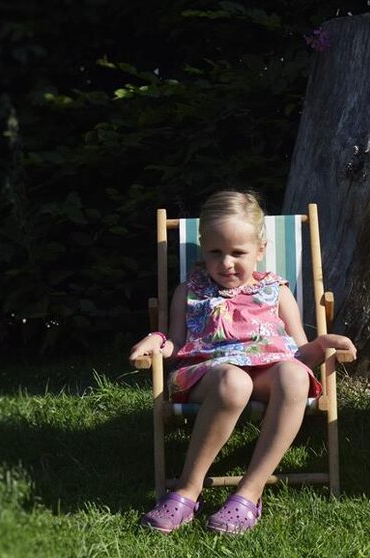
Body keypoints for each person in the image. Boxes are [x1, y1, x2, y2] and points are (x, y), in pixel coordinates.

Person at [129, 191, 356, 535]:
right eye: (215, 252)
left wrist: (322, 343)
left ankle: (249, 492)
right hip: (208, 374)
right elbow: (175, 345)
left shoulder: (276, 291)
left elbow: (298, 352)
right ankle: (188, 490)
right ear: (203, 248)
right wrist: (156, 340)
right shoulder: (189, 291)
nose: (226, 263)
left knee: (295, 376)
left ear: (260, 250)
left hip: (267, 371)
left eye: (238, 253)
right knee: (235, 382)